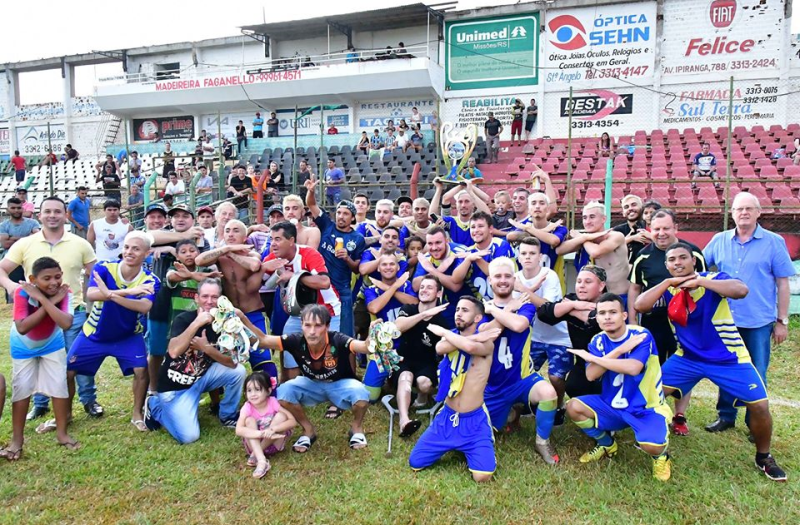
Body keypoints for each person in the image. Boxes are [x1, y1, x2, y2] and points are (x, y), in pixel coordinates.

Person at [635, 242, 787, 482]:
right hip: (687, 358)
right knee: (648, 394)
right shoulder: (669, 287)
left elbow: (741, 290)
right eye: (672, 260)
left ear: (693, 260)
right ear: (667, 265)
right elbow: (639, 305)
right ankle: (651, 438)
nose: (677, 263)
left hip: (729, 359)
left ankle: (764, 457)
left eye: (682, 258)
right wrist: (665, 283)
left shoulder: (713, 279)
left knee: (759, 405)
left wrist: (700, 281)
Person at [703, 192, 795, 436]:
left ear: (758, 212)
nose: (743, 213)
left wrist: (782, 320)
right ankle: (726, 415)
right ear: (731, 213)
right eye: (738, 209)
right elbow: (700, 267)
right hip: (725, 321)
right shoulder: (719, 240)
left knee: (756, 370)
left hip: (758, 321)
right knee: (726, 367)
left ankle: (755, 421)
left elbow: (782, 283)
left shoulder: (773, 242)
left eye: (748, 208)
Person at [0, 197, 99, 424]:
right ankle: (40, 405)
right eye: (47, 211)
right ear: (39, 215)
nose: (52, 215)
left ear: (66, 214)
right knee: (39, 357)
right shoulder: (26, 243)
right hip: (37, 312)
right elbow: (2, 269)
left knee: (75, 359)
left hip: (72, 309)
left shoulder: (80, 243)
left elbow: (94, 274)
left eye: (57, 211)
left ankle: (88, 400)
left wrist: (91, 301)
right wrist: (12, 286)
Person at [566, 293, 673, 481]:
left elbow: (633, 368)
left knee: (651, 445)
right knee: (573, 407)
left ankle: (661, 456)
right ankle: (607, 444)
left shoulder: (640, 335)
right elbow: (591, 375)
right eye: (602, 313)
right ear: (597, 318)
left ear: (624, 315)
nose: (607, 317)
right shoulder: (598, 340)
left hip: (645, 407)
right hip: (612, 405)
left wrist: (596, 360)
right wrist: (620, 350)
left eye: (613, 312)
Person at [239, 304, 374, 452]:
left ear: (327, 326)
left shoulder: (338, 339)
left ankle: (356, 428)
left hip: (339, 384)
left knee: (361, 394)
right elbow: (263, 340)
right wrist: (241, 317)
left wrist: (372, 337)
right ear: (301, 325)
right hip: (311, 383)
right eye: (307, 325)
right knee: (284, 392)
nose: (312, 332)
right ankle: (308, 430)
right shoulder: (295, 340)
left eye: (318, 326)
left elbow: (364, 347)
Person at [67, 231, 158, 431]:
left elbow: (144, 307)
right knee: (68, 371)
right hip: (94, 335)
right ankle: (65, 414)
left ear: (147, 253)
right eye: (126, 247)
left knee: (141, 371)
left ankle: (137, 414)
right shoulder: (104, 268)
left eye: (136, 248)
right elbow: (91, 294)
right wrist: (128, 292)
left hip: (128, 335)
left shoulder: (151, 279)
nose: (129, 252)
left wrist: (110, 294)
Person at [629, 209, 706, 435]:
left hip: (686, 325)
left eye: (666, 228)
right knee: (652, 368)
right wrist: (633, 320)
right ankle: (652, 411)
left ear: (675, 228)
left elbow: (705, 286)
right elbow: (635, 288)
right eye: (656, 228)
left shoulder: (693, 253)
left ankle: (679, 416)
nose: (661, 233)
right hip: (654, 322)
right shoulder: (642, 256)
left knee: (685, 368)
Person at [409, 297, 501, 482]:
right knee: (416, 462)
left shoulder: (487, 343)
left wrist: (443, 331)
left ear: (477, 318)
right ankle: (455, 444)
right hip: (447, 416)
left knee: (482, 477)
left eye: (465, 310)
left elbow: (468, 346)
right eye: (457, 309)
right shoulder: (451, 336)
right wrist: (470, 335)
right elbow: (440, 347)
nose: (458, 313)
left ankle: (474, 446)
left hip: (474, 419)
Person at [144, 278, 247, 442]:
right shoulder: (184, 319)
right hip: (175, 389)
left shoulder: (225, 325)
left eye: (214, 297)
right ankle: (154, 406)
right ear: (197, 298)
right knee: (189, 437)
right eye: (205, 296)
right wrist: (197, 324)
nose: (209, 301)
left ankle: (227, 415)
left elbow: (232, 362)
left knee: (239, 371)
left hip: (201, 379)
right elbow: (173, 351)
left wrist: (206, 348)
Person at [480, 258, 560, 464]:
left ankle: (542, 442)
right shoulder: (480, 308)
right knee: (491, 432)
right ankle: (512, 412)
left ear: (514, 279)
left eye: (508, 276)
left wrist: (495, 311)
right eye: (498, 276)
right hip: (491, 385)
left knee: (549, 393)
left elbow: (519, 325)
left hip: (522, 378)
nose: (503, 280)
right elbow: (484, 334)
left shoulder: (525, 304)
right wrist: (505, 310)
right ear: (490, 280)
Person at [2, 257, 78, 460]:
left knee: (59, 386)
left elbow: (65, 323)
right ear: (33, 279)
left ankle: (62, 433)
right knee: (21, 389)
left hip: (52, 344)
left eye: (58, 277)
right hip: (23, 346)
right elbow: (23, 326)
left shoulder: (64, 293)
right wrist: (49, 302)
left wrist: (45, 299)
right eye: (47, 278)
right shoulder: (22, 292)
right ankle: (17, 440)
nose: (54, 282)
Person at [261, 221, 342, 380]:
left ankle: (334, 391)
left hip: (327, 311)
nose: (273, 244)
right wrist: (261, 267)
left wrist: (294, 277)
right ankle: (289, 390)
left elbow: (324, 283)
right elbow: (259, 281)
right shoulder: (273, 258)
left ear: (291, 241)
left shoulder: (308, 254)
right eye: (271, 239)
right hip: (298, 314)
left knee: (329, 355)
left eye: (278, 239)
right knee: (288, 345)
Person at [196, 220, 276, 379]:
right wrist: (225, 249)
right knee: (222, 356)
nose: (230, 234)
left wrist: (230, 252)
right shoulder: (219, 256)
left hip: (253, 313)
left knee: (262, 357)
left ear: (245, 237)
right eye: (227, 231)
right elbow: (199, 260)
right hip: (227, 316)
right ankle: (218, 395)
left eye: (235, 231)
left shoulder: (252, 254)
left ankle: (271, 394)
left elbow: (254, 265)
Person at [515, 237, 573, 423]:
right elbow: (515, 306)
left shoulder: (549, 275)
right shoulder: (515, 277)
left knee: (556, 377)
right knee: (523, 373)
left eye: (532, 253)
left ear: (540, 257)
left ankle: (558, 406)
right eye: (524, 253)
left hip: (559, 336)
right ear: (518, 256)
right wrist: (529, 289)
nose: (528, 257)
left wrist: (524, 289)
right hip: (534, 337)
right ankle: (527, 403)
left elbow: (547, 308)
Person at [305, 183, 365, 337]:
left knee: (344, 333)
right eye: (339, 212)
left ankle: (346, 361)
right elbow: (311, 204)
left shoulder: (357, 238)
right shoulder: (327, 226)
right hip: (320, 286)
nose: (341, 216)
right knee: (317, 328)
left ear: (352, 217)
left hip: (341, 289)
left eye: (345, 214)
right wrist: (311, 191)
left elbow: (357, 268)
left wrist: (347, 259)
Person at [537, 265, 606, 399]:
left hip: (609, 362)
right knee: (573, 387)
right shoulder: (572, 299)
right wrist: (572, 305)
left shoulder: (609, 301)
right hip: (583, 362)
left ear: (601, 286)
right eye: (579, 281)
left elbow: (596, 321)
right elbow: (544, 313)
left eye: (588, 282)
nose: (581, 286)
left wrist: (572, 311)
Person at [392, 276, 450, 435]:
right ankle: (404, 420)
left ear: (438, 293)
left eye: (429, 287)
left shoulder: (442, 320)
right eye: (422, 287)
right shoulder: (409, 309)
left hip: (427, 363)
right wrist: (423, 315)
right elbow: (398, 327)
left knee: (424, 383)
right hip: (403, 360)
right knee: (405, 377)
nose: (424, 290)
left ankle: (422, 397)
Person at [361, 257, 418, 402]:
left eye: (392, 264)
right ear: (378, 268)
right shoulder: (371, 289)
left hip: (408, 346)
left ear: (398, 268)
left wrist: (389, 288)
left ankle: (396, 380)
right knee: (369, 397)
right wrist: (394, 286)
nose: (388, 267)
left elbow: (415, 303)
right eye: (384, 264)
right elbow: (374, 307)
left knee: (411, 389)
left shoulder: (407, 286)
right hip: (383, 349)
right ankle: (389, 378)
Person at [557, 201, 630, 301]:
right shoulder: (584, 239)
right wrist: (584, 238)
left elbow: (596, 252)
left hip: (619, 298)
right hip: (593, 301)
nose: (587, 221)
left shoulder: (615, 236)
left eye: (592, 217)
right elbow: (559, 250)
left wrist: (583, 238)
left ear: (604, 219)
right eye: (584, 218)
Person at [236, 372, 296, 478]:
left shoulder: (272, 402)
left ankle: (255, 455)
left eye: (258, 389)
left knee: (281, 416)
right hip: (254, 446)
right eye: (249, 390)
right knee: (249, 420)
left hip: (273, 443)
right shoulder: (247, 407)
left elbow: (292, 421)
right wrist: (262, 433)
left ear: (268, 391)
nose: (253, 394)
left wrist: (273, 429)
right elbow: (238, 430)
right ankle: (261, 461)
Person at [451, 211, 514, 299]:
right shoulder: (469, 251)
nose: (476, 230)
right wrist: (468, 259)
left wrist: (477, 258)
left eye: (480, 226)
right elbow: (455, 279)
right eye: (472, 227)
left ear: (490, 229)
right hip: (482, 305)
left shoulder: (501, 245)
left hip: (507, 299)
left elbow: (496, 272)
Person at [412, 226, 470, 321]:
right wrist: (437, 270)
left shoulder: (459, 252)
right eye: (430, 244)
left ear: (447, 241)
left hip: (465, 305)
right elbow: (415, 285)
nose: (434, 248)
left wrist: (431, 270)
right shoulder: (426, 258)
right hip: (440, 308)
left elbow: (455, 286)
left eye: (438, 243)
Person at [0, 198, 40, 301]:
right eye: (13, 208)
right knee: (14, 293)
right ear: (8, 209)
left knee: (33, 288)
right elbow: (5, 244)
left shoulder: (33, 223)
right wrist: (27, 237)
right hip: (12, 261)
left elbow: (37, 239)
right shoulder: (3, 226)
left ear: (22, 208)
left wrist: (12, 237)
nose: (16, 210)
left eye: (19, 208)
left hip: (30, 259)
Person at [613, 194, 649, 264]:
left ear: (641, 208)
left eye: (634, 205)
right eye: (626, 207)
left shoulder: (649, 227)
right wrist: (632, 238)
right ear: (623, 213)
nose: (630, 208)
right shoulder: (617, 230)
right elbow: (611, 247)